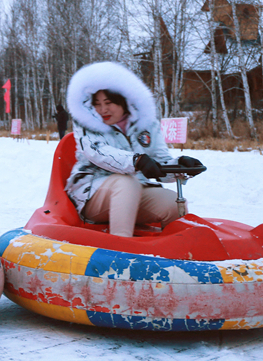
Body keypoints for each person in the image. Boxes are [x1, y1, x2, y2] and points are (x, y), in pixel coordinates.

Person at [64, 61, 203, 237]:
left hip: (135, 190)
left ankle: (173, 251)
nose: (102, 109)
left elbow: (159, 162)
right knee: (126, 184)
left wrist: (179, 166)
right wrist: (136, 160)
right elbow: (98, 152)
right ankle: (120, 250)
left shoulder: (146, 124)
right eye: (97, 104)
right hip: (92, 194)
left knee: (172, 202)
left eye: (108, 102)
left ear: (124, 101)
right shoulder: (87, 124)